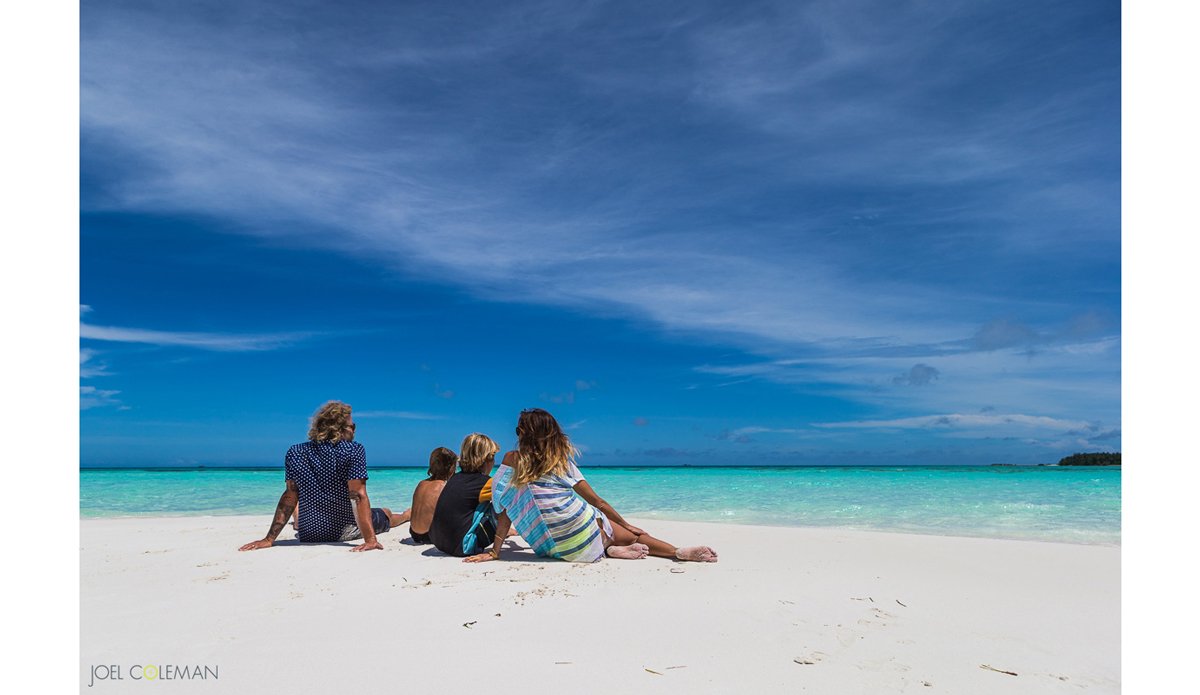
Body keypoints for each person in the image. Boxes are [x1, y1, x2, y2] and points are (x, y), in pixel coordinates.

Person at [464, 408, 718, 564]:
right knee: (634, 534)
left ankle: (612, 548)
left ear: (523, 435)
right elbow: (598, 502)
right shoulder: (560, 462)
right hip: (584, 532)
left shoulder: (511, 460)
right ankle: (677, 551)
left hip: (552, 548)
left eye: (518, 430)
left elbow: (502, 505)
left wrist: (496, 552)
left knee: (601, 531)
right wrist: (627, 524)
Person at [239, 401, 410, 552]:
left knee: (298, 503)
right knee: (385, 512)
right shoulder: (354, 450)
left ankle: (298, 519)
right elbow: (358, 495)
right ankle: (407, 515)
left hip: (309, 532)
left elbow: (290, 496)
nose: (355, 431)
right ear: (340, 430)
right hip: (344, 530)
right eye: (352, 426)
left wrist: (269, 539)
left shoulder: (295, 452)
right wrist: (370, 540)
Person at [428, 434, 500, 557]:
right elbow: (511, 500)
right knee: (501, 504)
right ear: (488, 460)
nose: (494, 462)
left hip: (438, 541)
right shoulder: (485, 483)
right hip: (460, 546)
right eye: (493, 458)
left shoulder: (454, 478)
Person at [408, 447, 457, 545]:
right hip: (430, 535)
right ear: (450, 468)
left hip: (414, 533)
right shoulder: (444, 487)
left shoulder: (421, 483)